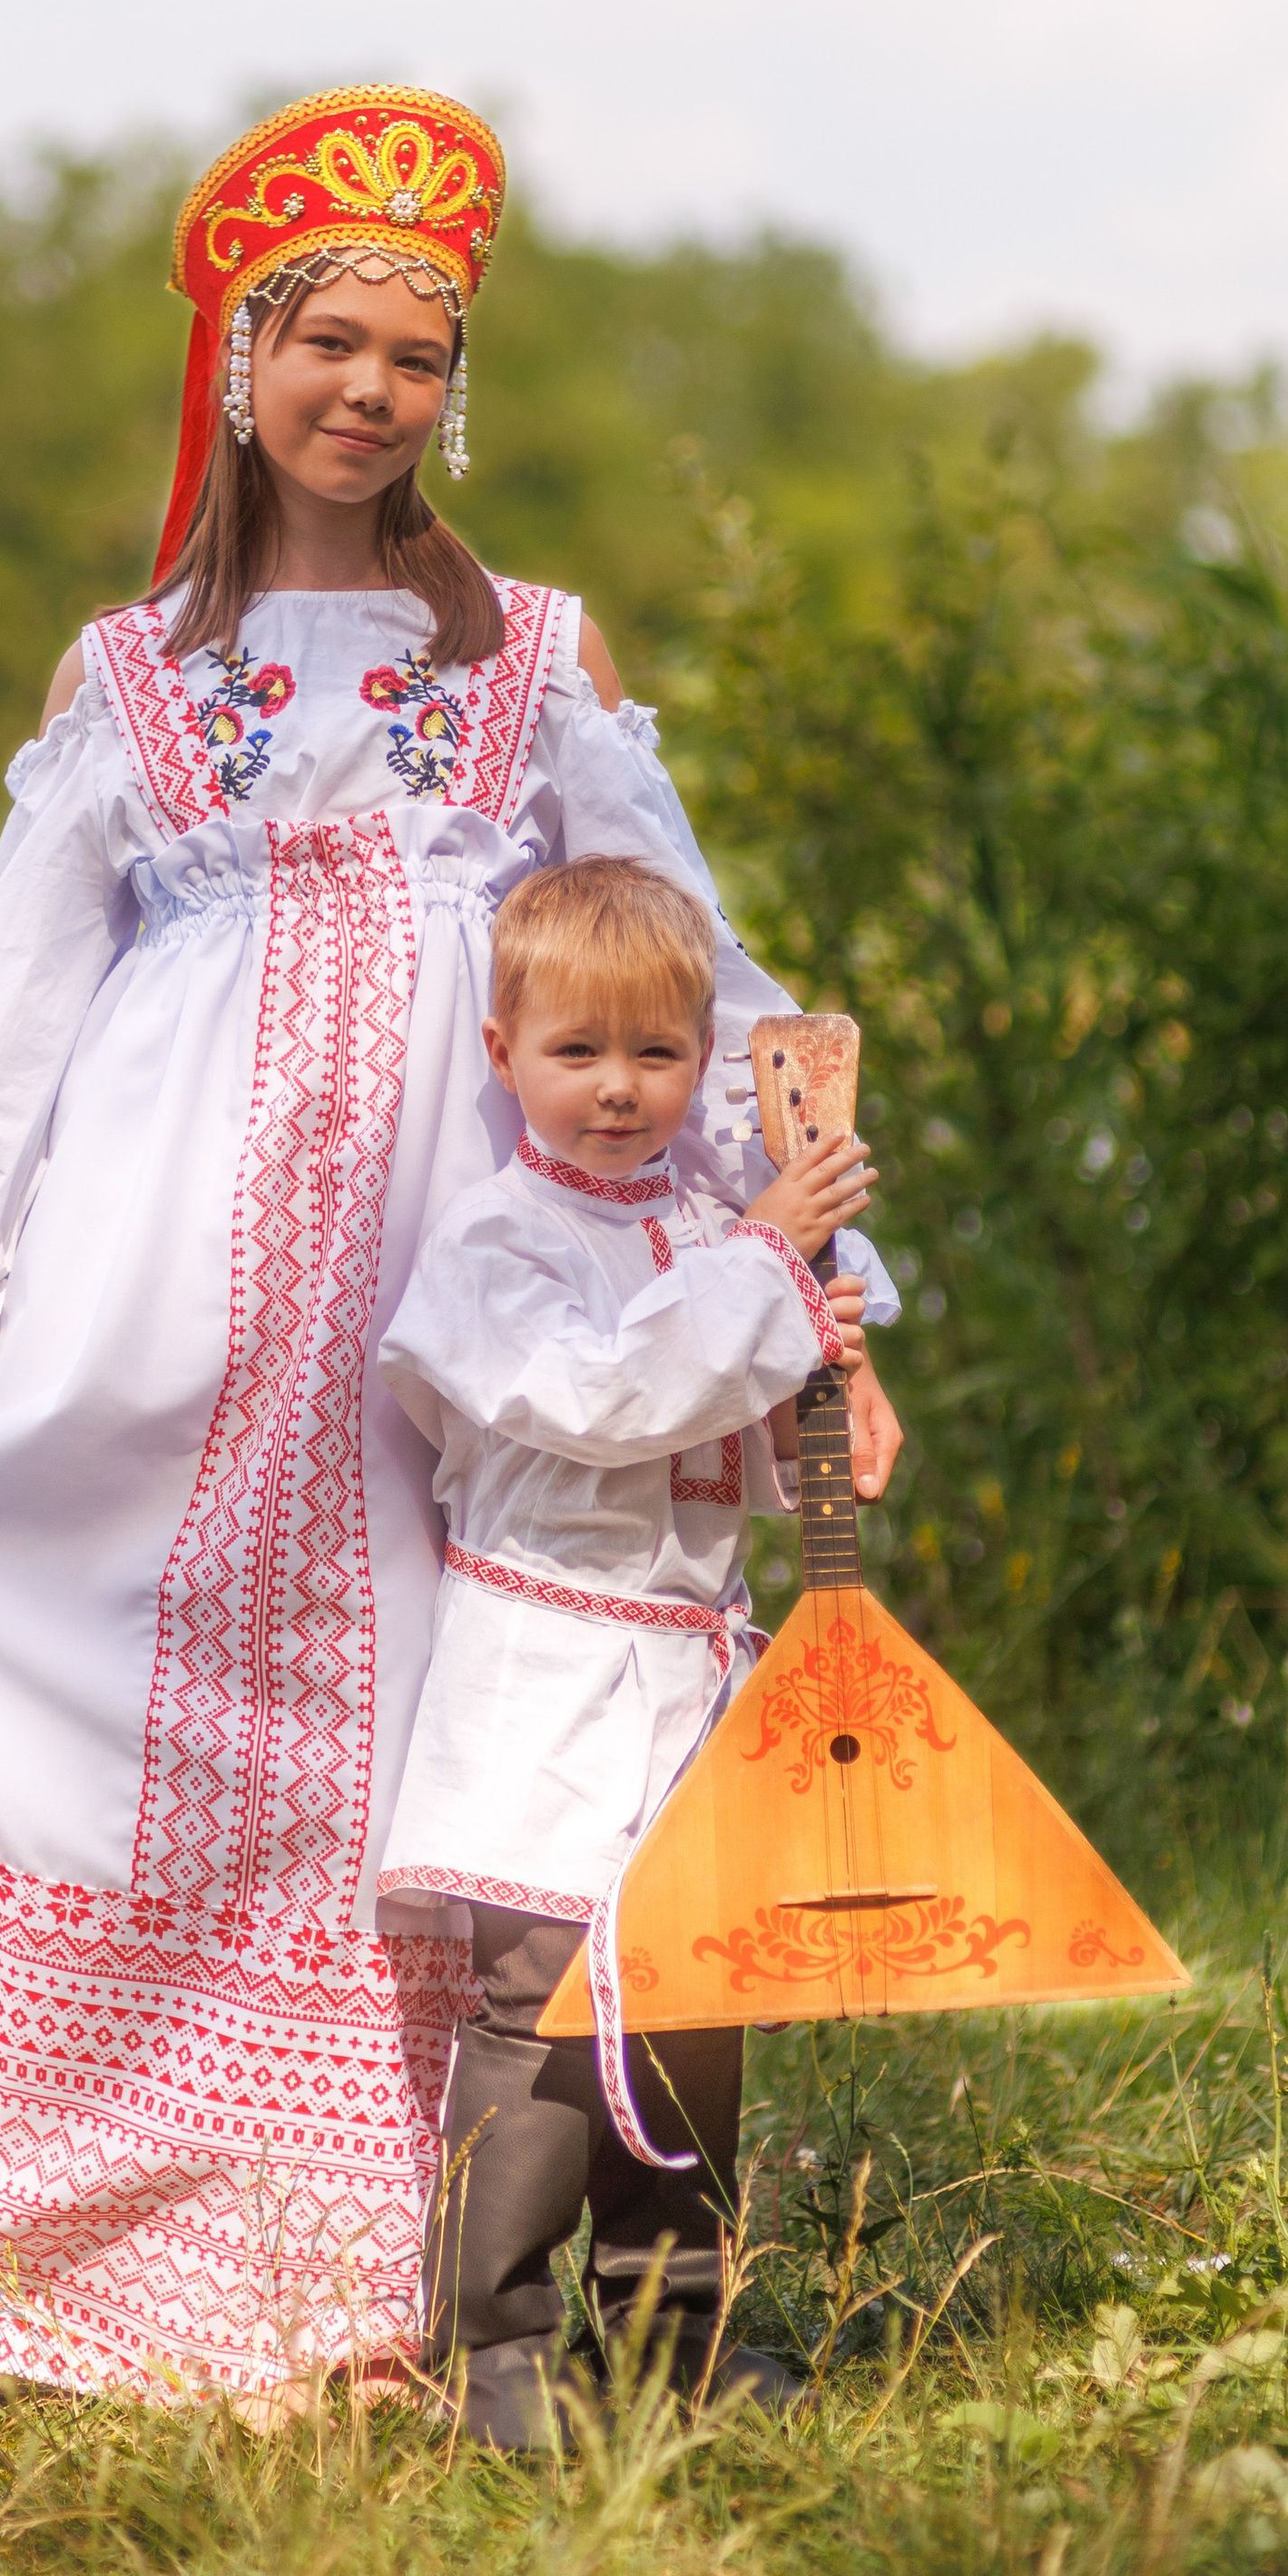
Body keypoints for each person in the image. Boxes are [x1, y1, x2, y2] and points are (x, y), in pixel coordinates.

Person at [0, 85, 904, 2414]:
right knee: (104, 1663)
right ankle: (22, 2233)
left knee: (456, 1709)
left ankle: (433, 2287)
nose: (367, 392)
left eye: (412, 359)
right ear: (238, 368)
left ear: (456, 391)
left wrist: (807, 1289)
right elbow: (6, 1023)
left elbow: (691, 973)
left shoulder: (531, 653)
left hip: (461, 1279)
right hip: (175, 1280)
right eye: (324, 343)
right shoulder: (125, 674)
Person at [377, 856, 890, 2446]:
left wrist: (830, 1370)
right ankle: (500, 2351)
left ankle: (675, 2329)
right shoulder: (494, 1242)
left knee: (688, 1996)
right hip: (545, 1667)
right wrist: (760, 1272)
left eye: (657, 1056)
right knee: (538, 2001)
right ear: (503, 1054)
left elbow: (716, 1444)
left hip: (687, 1668)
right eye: (577, 1053)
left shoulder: (703, 1225)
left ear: (698, 1059)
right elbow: (597, 1400)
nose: (617, 1091)